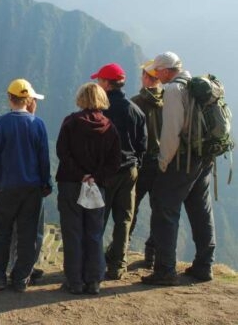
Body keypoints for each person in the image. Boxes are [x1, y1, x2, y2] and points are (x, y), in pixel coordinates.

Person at [141, 52, 216, 286]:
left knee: (165, 209)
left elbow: (171, 131)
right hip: (204, 158)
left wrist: (164, 163)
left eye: (157, 71)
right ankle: (204, 265)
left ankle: (165, 270)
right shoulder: (196, 85)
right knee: (200, 210)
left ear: (165, 70)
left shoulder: (173, 91)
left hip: (182, 161)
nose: (155, 75)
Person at [0, 78, 52, 292]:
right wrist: (46, 183)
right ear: (28, 99)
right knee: (28, 235)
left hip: (6, 188)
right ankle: (21, 278)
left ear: (9, 98)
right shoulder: (37, 124)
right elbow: (44, 158)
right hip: (32, 189)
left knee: (2, 234)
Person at [56, 82, 121, 295]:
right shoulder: (110, 127)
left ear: (81, 98)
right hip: (96, 186)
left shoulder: (70, 123)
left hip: (71, 185)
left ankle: (74, 281)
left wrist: (79, 175)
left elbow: (62, 153)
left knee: (72, 232)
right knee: (94, 232)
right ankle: (93, 281)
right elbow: (114, 162)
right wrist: (95, 177)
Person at [90, 63, 147, 280]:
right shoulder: (136, 110)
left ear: (106, 83)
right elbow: (143, 145)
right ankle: (118, 266)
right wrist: (134, 164)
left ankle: (93, 265)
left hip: (106, 173)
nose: (97, 84)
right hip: (129, 171)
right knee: (124, 219)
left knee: (98, 218)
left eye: (99, 80)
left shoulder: (100, 111)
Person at [129, 60, 163, 268]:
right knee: (159, 209)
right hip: (163, 163)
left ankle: (120, 251)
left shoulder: (135, 103)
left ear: (146, 78)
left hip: (141, 163)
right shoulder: (170, 101)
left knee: (131, 208)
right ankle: (152, 256)